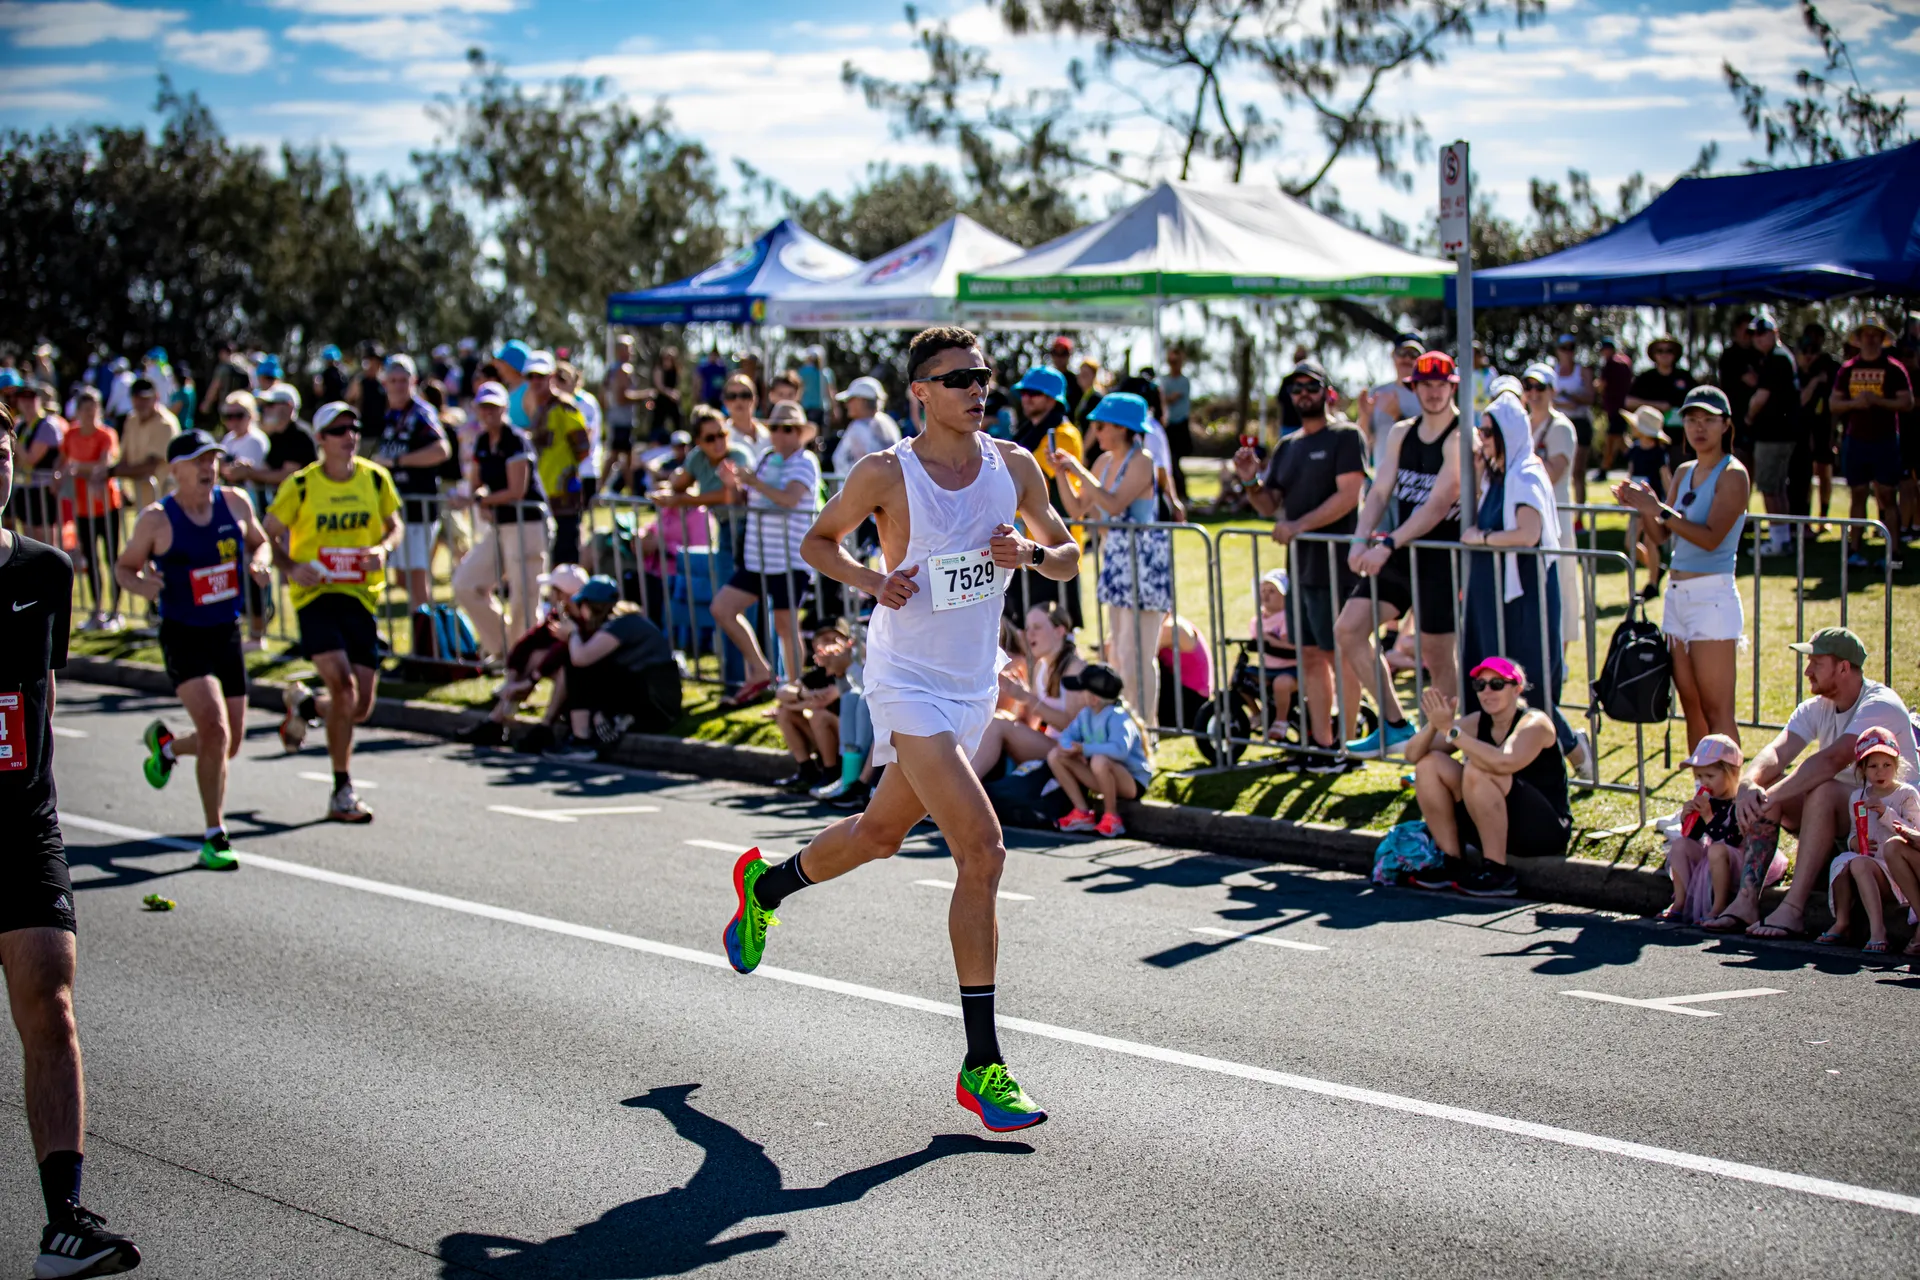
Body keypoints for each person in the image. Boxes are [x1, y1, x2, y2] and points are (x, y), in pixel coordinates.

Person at [724, 325, 1079, 1133]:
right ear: (920, 390)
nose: (975, 388)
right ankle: (982, 1065)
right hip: (905, 678)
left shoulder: (1013, 465)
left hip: (972, 684)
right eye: (957, 378)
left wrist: (1028, 550)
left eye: (981, 375)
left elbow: (1065, 555)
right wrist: (870, 578)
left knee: (881, 835)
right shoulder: (886, 471)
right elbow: (818, 541)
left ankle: (763, 889)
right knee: (983, 850)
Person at [0, 408, 144, 1280]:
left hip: (20, 826)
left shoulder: (46, 571)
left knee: (50, 997)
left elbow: (40, 696)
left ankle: (65, 1222)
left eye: (2, 453)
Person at [116, 430, 273, 869]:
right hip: (183, 634)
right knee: (216, 729)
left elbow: (259, 540)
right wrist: (143, 585)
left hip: (226, 630)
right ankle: (214, 835)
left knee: (229, 743)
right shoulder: (156, 519)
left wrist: (260, 560)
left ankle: (165, 747)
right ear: (175, 470)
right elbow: (123, 568)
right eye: (199, 461)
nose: (209, 468)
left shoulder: (236, 502)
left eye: (214, 460)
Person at [1706, 627, 1919, 939]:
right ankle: (1746, 901)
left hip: (1892, 820)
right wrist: (1750, 784)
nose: (1807, 671)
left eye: (1816, 663)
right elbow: (1777, 750)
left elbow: (1831, 760)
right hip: (1849, 814)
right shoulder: (1818, 706)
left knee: (1821, 788)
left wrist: (1769, 796)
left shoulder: (1879, 704)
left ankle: (1793, 909)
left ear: (1844, 667)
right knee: (1771, 785)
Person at [264, 402, 402, 823]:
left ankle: (305, 706)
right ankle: (342, 790)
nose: (349, 435)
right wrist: (290, 566)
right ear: (320, 439)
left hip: (360, 596)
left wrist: (384, 548)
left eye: (354, 427)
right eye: (339, 429)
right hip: (317, 596)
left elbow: (394, 524)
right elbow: (266, 534)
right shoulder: (301, 485)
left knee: (359, 707)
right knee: (343, 690)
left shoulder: (375, 479)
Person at [1230, 359, 1366, 770]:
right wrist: (1251, 479)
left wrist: (1299, 525)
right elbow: (1270, 505)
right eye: (1296, 388)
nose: (1303, 393)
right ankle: (1321, 744)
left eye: (1311, 386)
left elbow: (1350, 494)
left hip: (1338, 566)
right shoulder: (1288, 446)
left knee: (1342, 654)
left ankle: (1347, 745)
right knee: (1310, 656)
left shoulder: (1346, 436)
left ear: (1327, 391)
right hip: (1301, 570)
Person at [1335, 349, 1463, 756]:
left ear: (1453, 386)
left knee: (1438, 656)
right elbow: (1379, 490)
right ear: (1414, 387)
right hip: (1402, 550)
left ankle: (1441, 749)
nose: (1434, 392)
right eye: (1426, 384)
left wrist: (1386, 543)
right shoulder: (1401, 433)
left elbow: (1440, 502)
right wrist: (1361, 537)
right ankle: (1394, 725)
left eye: (1442, 384)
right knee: (1349, 630)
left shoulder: (1463, 435)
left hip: (1441, 555)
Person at [1612, 386, 1749, 750]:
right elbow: (1659, 533)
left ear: (1726, 425)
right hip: (1677, 596)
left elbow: (1711, 538)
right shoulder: (1685, 470)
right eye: (1691, 420)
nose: (1698, 428)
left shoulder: (1733, 474)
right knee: (1692, 708)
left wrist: (1656, 508)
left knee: (1718, 710)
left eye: (1708, 420)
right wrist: (1640, 506)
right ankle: (1704, 796)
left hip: (1712, 597)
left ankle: (1730, 802)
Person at [1461, 394, 1583, 770]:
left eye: (1487, 432)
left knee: (1527, 686)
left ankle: (1575, 754)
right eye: (1480, 432)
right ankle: (1488, 763)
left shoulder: (1526, 471)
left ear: (1506, 433)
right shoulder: (1496, 474)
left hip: (1523, 597)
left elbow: (1528, 533)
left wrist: (1479, 538)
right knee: (1485, 678)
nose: (1482, 439)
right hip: (1489, 594)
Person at [1051, 392, 1170, 731]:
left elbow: (1114, 504)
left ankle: (1144, 730)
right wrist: (1062, 472)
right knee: (1118, 652)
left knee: (1139, 654)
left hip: (1145, 567)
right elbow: (1076, 509)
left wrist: (1079, 469)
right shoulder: (1102, 463)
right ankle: (1130, 726)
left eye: (1100, 424)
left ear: (1121, 428)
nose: (1096, 431)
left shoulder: (1143, 460)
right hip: (1117, 565)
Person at [1405, 657, 1571, 898]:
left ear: (1517, 689)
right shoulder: (1477, 722)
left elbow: (1505, 762)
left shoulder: (1535, 722)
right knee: (1429, 765)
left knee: (1478, 768)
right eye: (1480, 686)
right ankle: (1453, 861)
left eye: (1496, 684)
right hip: (1491, 823)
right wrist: (1435, 725)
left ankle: (1497, 870)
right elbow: (1413, 754)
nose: (1487, 692)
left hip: (1542, 832)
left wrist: (1451, 731)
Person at [710, 401, 820, 706]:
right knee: (722, 608)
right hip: (758, 558)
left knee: (787, 627)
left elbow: (789, 499)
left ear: (799, 433)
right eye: (775, 428)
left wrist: (754, 482)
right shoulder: (767, 457)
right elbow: (751, 499)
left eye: (788, 429)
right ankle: (760, 670)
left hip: (789, 560)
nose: (781, 435)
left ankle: (794, 691)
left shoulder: (806, 461)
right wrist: (735, 485)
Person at [452, 382, 549, 661]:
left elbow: (516, 490)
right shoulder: (482, 441)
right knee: (465, 584)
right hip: (500, 526)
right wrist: (479, 497)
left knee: (524, 598)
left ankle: (526, 660)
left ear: (505, 408)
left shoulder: (516, 439)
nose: (489, 412)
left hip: (527, 525)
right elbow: (477, 486)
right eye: (484, 407)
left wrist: (483, 500)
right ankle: (506, 650)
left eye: (494, 406)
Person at [543, 576, 683, 762]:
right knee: (588, 666)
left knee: (579, 666)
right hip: (651, 695)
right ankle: (587, 727)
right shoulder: (620, 622)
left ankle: (582, 741)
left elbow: (580, 658)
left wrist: (573, 633)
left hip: (656, 704)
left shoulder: (621, 625)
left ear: (591, 605)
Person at [454, 563, 586, 748]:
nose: (550, 594)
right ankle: (497, 721)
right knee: (534, 656)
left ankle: (545, 727)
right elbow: (530, 642)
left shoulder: (584, 618)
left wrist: (532, 679)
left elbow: (562, 654)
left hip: (586, 679)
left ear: (564, 594)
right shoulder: (561, 614)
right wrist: (514, 675)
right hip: (565, 670)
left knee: (562, 668)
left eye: (554, 590)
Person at [1658, 734, 1785, 925]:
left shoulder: (1740, 801)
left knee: (1716, 849)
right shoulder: (1709, 799)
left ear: (1732, 773)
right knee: (1680, 845)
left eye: (1710, 776)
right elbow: (1693, 837)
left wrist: (1709, 817)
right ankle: (1680, 902)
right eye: (1699, 776)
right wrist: (1688, 819)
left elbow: (1732, 839)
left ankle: (1719, 907)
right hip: (1714, 861)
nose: (1704, 782)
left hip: (1739, 860)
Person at [1820, 726, 1919, 953]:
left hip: (1899, 870)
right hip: (1872, 864)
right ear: (1862, 769)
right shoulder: (1858, 797)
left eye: (1886, 765)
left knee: (1858, 864)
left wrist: (1886, 814)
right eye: (1873, 766)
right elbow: (1856, 833)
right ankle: (1842, 921)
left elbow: (1915, 833)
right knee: (1844, 860)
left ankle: (1877, 931)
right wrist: (1854, 843)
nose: (1880, 772)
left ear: (1896, 765)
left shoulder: (1906, 794)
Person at [1831, 314, 1912, 569]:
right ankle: (1854, 551)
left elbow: (1906, 402)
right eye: (1866, 334)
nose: (1871, 339)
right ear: (1860, 339)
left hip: (1885, 440)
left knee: (1887, 495)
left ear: (1882, 339)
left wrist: (1878, 402)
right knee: (1857, 495)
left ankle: (1893, 552)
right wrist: (1855, 404)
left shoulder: (1894, 369)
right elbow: (1834, 403)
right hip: (1856, 441)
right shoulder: (1847, 370)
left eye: (1875, 335)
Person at [1007, 365, 1085, 628]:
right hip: (1024, 549)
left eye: (1035, 393)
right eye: (1024, 393)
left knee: (1054, 634)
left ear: (1053, 399)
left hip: (1051, 548)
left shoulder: (1062, 435)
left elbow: (1031, 479)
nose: (1026, 398)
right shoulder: (1027, 432)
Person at [373, 354, 451, 611]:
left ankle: (428, 639)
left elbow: (442, 450)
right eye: (392, 380)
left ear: (413, 381)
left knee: (417, 578)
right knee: (401, 577)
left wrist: (398, 461)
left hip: (419, 509)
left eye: (403, 380)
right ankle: (427, 625)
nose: (397, 386)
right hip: (398, 508)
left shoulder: (421, 412)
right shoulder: (389, 415)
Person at [1048, 662, 1152, 837]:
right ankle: (1082, 812)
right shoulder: (1085, 715)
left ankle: (1112, 816)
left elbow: (1119, 751)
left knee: (1099, 760)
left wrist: (1084, 749)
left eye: (1082, 691)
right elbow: (1066, 736)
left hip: (1131, 783)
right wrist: (1070, 749)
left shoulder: (1118, 718)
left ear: (1094, 698)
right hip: (1102, 775)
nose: (1079, 695)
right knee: (1056, 756)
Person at [1519, 362, 1581, 649]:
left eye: (1539, 387)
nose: (1533, 393)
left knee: (1562, 588)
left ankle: (1560, 658)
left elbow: (1554, 471)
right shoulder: (1521, 424)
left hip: (1556, 520)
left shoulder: (1561, 428)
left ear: (1552, 391)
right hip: (1527, 522)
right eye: (1528, 386)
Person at [57, 389, 122, 632]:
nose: (89, 413)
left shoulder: (106, 434)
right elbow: (63, 461)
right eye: (84, 409)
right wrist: (59, 474)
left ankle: (116, 610)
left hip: (107, 505)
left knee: (112, 557)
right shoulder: (71, 433)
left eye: (93, 408)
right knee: (91, 559)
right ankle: (97, 609)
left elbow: (104, 464)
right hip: (83, 506)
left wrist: (77, 468)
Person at [1739, 314, 1801, 555]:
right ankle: (1782, 538)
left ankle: (1777, 541)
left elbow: (1760, 398)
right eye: (1755, 334)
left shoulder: (1776, 359)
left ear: (1775, 333)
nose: (1758, 339)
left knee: (1768, 487)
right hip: (1782, 434)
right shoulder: (1779, 358)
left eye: (1763, 333)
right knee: (1777, 487)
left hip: (1774, 435)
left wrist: (1748, 418)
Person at [771, 619, 853, 793]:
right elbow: (782, 693)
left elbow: (822, 701)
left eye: (834, 639)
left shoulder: (849, 671)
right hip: (829, 735)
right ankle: (807, 770)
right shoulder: (817, 674)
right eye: (823, 640)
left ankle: (832, 772)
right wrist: (803, 695)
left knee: (818, 714)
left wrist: (800, 702)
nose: (829, 645)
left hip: (850, 738)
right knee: (784, 713)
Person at [1622, 406, 1674, 596]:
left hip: (1653, 504)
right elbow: (1630, 474)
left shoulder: (1658, 453)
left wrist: (1669, 502)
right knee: (1630, 542)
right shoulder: (1634, 450)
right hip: (1636, 504)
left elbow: (1666, 477)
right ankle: (1656, 568)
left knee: (1651, 542)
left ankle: (1652, 584)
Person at [1625, 335, 1695, 471]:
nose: (1665, 354)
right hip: (1652, 440)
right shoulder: (1646, 378)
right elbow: (1629, 402)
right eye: (1660, 350)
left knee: (1681, 477)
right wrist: (1657, 406)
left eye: (1669, 350)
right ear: (1654, 354)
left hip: (1681, 440)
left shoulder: (1684, 377)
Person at [1792, 326, 1840, 526]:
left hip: (1825, 427)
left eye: (1814, 349)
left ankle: (1824, 516)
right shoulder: (1797, 371)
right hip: (1803, 428)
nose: (1810, 355)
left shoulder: (1831, 365)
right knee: (1806, 474)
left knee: (1824, 471)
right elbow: (1800, 400)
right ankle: (1806, 516)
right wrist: (1812, 379)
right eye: (1806, 351)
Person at [114, 377, 179, 510]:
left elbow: (151, 466)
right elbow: (124, 458)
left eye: (145, 398)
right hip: (141, 501)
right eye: (137, 398)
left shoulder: (165, 424)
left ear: (156, 397)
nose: (141, 403)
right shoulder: (131, 420)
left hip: (165, 500)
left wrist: (112, 472)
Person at [1357, 335, 1422, 467]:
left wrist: (1398, 415)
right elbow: (1364, 439)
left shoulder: (1429, 394)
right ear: (1393, 356)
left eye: (1413, 354)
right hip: (1383, 479)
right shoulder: (1378, 393)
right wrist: (1365, 415)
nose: (1407, 359)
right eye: (1402, 353)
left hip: (1416, 480)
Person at [1548, 335, 1595, 503]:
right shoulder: (1552, 372)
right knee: (1555, 471)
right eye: (1563, 348)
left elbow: (1590, 398)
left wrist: (1569, 398)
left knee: (1578, 471)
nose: (1567, 352)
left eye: (1571, 348)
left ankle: (1580, 517)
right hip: (1557, 425)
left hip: (1580, 423)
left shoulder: (1582, 371)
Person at [830, 375, 902, 474]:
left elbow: (862, 467)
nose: (846, 404)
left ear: (862, 400)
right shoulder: (888, 422)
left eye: (851, 399)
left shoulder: (858, 427)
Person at [601, 335, 645, 494]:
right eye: (628, 348)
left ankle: (632, 492)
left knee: (626, 457)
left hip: (616, 419)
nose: (631, 352)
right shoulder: (622, 369)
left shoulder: (611, 370)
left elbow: (605, 394)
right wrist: (645, 396)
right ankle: (599, 491)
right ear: (620, 350)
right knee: (615, 456)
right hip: (621, 421)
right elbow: (622, 397)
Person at [1156, 346, 1194, 501]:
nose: (1173, 364)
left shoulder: (1184, 381)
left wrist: (1163, 398)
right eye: (1171, 361)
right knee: (1169, 461)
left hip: (1180, 426)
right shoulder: (1164, 380)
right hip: (1168, 427)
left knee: (1175, 460)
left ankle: (1182, 494)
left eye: (1176, 361)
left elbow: (1169, 398)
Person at [1594, 335, 1634, 475]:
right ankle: (1636, 458)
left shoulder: (1610, 364)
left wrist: (1596, 386)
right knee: (1619, 438)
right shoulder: (1626, 361)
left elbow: (1602, 385)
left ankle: (1605, 468)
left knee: (1613, 437)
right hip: (1624, 407)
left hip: (1615, 407)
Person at [719, 372, 769, 457]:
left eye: (745, 395)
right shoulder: (720, 437)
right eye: (732, 396)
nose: (739, 400)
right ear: (725, 402)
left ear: (755, 399)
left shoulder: (768, 434)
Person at [798, 345, 835, 428]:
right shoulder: (826, 372)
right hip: (821, 408)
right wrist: (835, 408)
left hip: (805, 407)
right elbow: (830, 392)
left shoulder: (802, 372)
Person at [651, 348, 683, 444]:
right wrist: (670, 393)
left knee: (678, 421)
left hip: (672, 400)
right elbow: (659, 386)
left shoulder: (675, 369)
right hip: (662, 399)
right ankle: (654, 442)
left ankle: (680, 442)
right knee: (658, 423)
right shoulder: (659, 369)